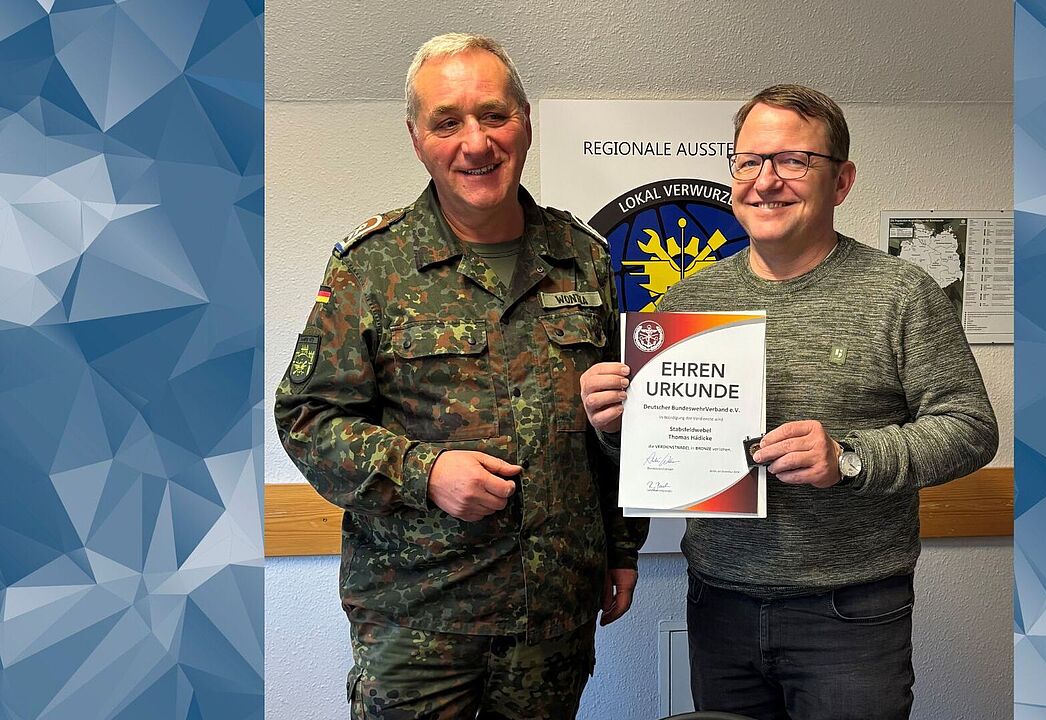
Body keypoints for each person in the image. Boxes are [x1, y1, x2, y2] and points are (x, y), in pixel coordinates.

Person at [580, 84, 998, 719]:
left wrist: (850, 459)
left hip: (850, 612)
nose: (765, 181)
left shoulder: (900, 293)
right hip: (719, 602)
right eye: (749, 162)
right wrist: (612, 420)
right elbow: (654, 446)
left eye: (792, 161)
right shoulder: (687, 301)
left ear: (842, 180)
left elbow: (970, 427)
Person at [275, 33, 647, 720]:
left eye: (494, 115)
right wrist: (424, 471)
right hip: (417, 618)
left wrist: (624, 548)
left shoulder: (585, 259)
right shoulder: (372, 265)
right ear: (417, 138)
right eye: (448, 122)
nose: (475, 142)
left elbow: (626, 423)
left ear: (526, 122)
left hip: (553, 613)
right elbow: (306, 417)